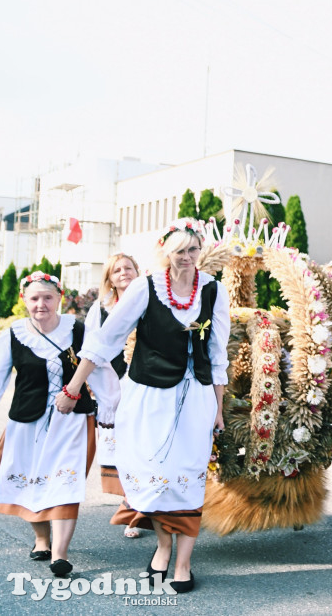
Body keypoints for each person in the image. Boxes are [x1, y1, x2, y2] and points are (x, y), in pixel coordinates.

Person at [65, 218, 230, 593]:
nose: (187, 257)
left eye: (192, 250)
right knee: (155, 474)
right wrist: (74, 387)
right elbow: (106, 341)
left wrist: (218, 408)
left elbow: (218, 355)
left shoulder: (214, 292)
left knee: (188, 477)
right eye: (179, 251)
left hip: (197, 396)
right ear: (166, 253)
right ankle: (162, 547)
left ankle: (183, 564)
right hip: (149, 394)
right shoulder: (146, 287)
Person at [0, 273, 114, 577]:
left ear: (59, 298)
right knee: (30, 479)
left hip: (72, 420)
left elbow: (99, 369)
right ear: (24, 301)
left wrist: (112, 409)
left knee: (65, 480)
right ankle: (41, 538)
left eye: (47, 297)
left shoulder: (76, 329)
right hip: (26, 421)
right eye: (34, 298)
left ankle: (60, 554)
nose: (41, 304)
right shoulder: (13, 334)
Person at [84, 252, 144, 539]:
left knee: (144, 446)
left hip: (146, 381)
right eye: (117, 270)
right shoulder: (102, 308)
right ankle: (130, 505)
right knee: (124, 447)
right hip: (114, 380)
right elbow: (93, 347)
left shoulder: (150, 300)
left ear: (137, 271)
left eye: (128, 268)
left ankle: (138, 508)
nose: (123, 273)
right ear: (109, 278)